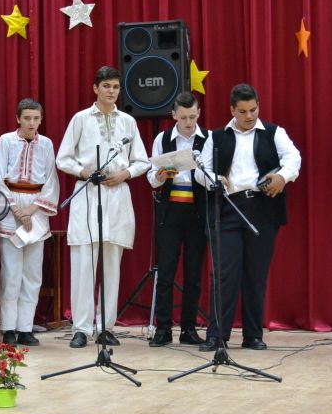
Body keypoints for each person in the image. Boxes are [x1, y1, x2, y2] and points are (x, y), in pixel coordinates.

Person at [196, 83, 301, 351]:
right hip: (228, 207)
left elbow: (293, 158)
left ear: (258, 106)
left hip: (263, 207)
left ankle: (253, 335)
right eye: (243, 111)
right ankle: (217, 335)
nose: (249, 116)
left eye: (253, 110)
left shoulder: (274, 133)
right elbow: (200, 170)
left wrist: (282, 176)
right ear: (232, 110)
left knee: (256, 274)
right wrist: (214, 179)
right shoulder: (216, 136)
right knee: (224, 274)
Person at [56, 66, 150, 348]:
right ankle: (81, 328)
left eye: (115, 87)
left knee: (111, 265)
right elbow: (63, 158)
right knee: (84, 264)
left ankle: (105, 327)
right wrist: (84, 172)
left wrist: (125, 174)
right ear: (95, 88)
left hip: (117, 194)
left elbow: (142, 161)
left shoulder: (128, 122)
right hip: (88, 192)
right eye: (106, 86)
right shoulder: (81, 119)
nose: (111, 91)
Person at [0, 98, 59, 346]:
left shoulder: (46, 144)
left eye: (36, 118)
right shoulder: (6, 141)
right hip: (11, 209)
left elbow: (51, 181)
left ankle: (25, 328)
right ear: (18, 118)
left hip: (36, 210)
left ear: (41, 119)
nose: (31, 123)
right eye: (27, 118)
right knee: (11, 272)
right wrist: (17, 210)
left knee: (32, 273)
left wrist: (31, 211)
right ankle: (9, 327)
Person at [146, 92, 208, 347]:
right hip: (170, 210)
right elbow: (151, 178)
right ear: (174, 115)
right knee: (166, 271)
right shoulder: (163, 139)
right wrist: (160, 176)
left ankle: (188, 329)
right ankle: (163, 329)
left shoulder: (208, 138)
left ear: (199, 113)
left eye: (193, 116)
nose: (189, 122)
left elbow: (211, 174)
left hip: (197, 210)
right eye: (183, 117)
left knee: (193, 273)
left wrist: (201, 169)